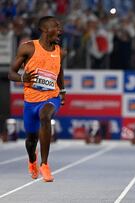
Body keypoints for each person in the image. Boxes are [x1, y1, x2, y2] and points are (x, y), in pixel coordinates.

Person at [8, 16, 65, 182]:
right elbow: (11, 73)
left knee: (45, 116)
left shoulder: (59, 51)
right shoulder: (28, 48)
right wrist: (22, 79)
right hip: (31, 102)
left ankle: (44, 164)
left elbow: (60, 72)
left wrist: (62, 90)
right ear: (46, 29)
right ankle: (32, 159)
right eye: (57, 26)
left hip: (51, 97)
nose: (60, 30)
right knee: (31, 140)